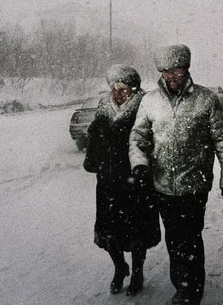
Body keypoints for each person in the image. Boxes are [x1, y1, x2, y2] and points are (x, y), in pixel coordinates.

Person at [129, 44, 223, 305]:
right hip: (163, 184)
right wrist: (140, 163)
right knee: (173, 237)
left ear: (186, 69)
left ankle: (190, 288)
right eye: (166, 72)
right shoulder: (150, 101)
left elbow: (222, 141)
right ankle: (182, 284)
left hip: (195, 184)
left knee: (189, 236)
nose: (172, 76)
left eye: (177, 70)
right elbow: (138, 137)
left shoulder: (206, 99)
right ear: (160, 73)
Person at [82, 64, 160, 296]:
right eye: (114, 87)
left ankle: (137, 273)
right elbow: (95, 138)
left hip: (136, 181)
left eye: (123, 88)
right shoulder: (103, 108)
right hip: (108, 181)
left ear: (134, 89)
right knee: (109, 232)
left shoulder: (145, 107)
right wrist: (92, 160)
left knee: (137, 232)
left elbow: (154, 141)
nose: (117, 92)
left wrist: (146, 167)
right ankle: (119, 268)